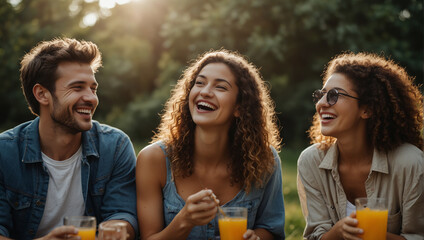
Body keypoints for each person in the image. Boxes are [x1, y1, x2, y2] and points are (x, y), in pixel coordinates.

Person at [136, 50, 285, 240]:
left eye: (220, 87)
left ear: (239, 107)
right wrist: (184, 220)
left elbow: (271, 229)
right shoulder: (154, 160)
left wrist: (256, 237)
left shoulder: (265, 160)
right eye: (199, 83)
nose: (204, 92)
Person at [0, 38, 138, 239]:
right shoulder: (4, 153)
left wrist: (115, 230)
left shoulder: (115, 146)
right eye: (77, 87)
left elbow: (122, 213)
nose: (91, 98)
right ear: (42, 94)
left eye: (93, 88)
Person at [297, 52, 424, 240]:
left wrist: (372, 234)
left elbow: (417, 236)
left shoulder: (410, 163)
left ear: (367, 109)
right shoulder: (311, 162)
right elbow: (315, 235)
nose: (321, 104)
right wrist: (338, 233)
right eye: (321, 95)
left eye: (334, 95)